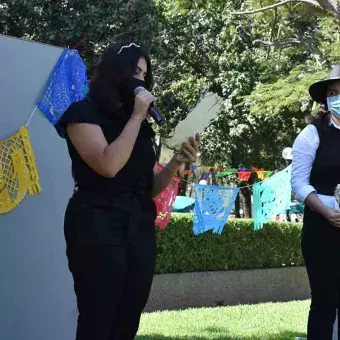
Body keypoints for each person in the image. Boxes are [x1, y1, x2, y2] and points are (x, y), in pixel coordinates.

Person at [55, 42, 199, 340]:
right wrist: (136, 118)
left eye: (145, 75)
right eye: (135, 71)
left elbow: (146, 187)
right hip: (96, 223)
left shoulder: (140, 128)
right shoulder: (83, 112)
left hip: (138, 225)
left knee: (128, 317)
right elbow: (108, 165)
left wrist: (174, 162)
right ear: (114, 71)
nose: (142, 81)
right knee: (99, 316)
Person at [291, 65, 340, 339]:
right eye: (333, 93)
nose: (338, 98)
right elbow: (298, 183)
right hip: (321, 228)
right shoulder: (311, 134)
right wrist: (326, 212)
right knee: (324, 302)